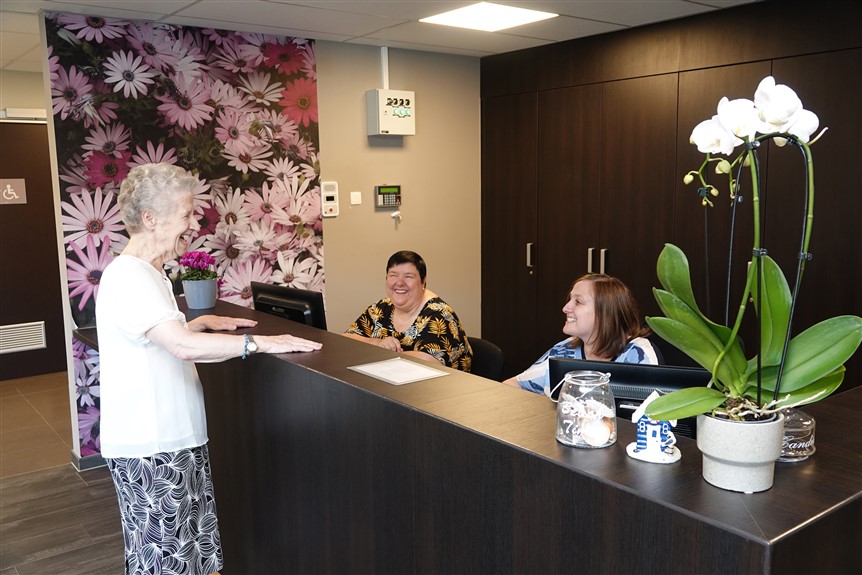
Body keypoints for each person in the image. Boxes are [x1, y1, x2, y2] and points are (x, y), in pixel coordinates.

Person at [96, 163, 322, 575]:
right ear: (150, 218)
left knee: (192, 558)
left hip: (175, 441)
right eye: (186, 213)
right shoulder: (128, 277)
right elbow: (180, 347)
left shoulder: (151, 273)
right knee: (166, 563)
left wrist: (194, 325)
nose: (194, 223)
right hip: (153, 447)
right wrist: (261, 343)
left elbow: (162, 338)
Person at [503, 273, 658, 396]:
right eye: (570, 299)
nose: (565, 308)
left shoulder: (638, 354)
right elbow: (514, 385)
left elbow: (654, 415)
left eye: (578, 302)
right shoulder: (565, 349)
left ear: (605, 313)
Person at [345, 250, 473, 372]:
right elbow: (345, 340)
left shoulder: (439, 314)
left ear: (423, 281)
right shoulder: (380, 308)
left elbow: (430, 362)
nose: (399, 282)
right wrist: (377, 343)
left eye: (408, 276)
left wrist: (383, 353)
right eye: (393, 275)